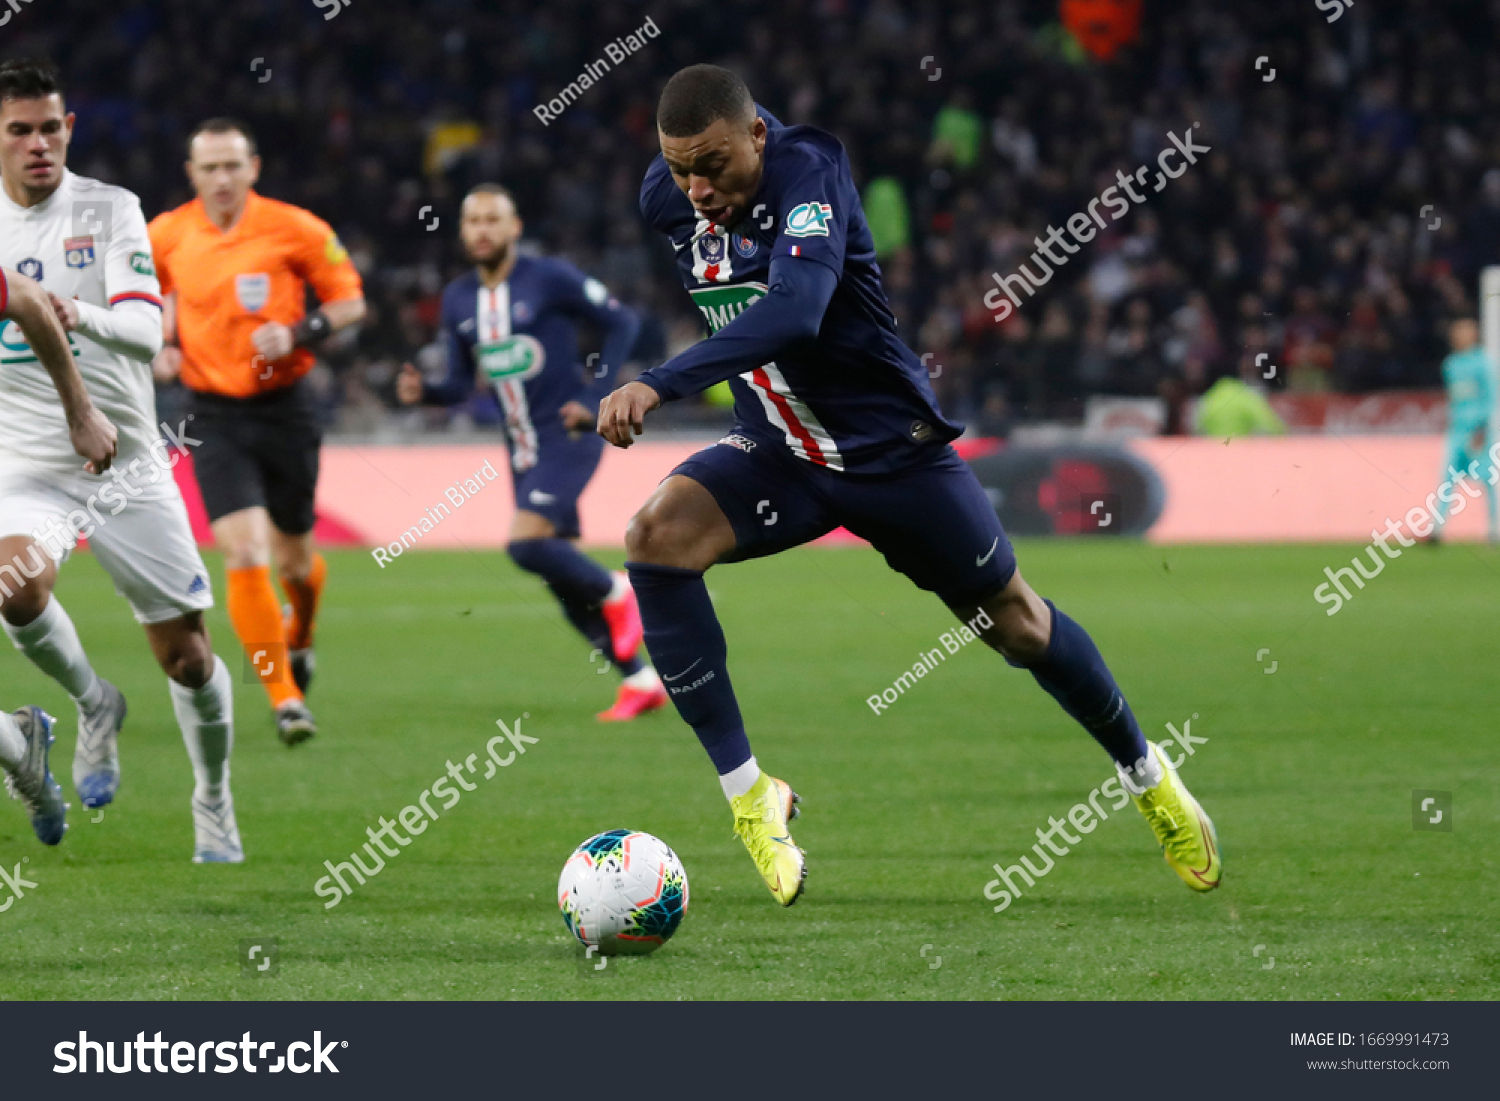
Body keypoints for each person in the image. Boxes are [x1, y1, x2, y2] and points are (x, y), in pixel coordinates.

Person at [598, 65, 1221, 905]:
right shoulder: (666, 196)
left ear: (756, 135)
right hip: (781, 449)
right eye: (679, 168)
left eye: (713, 164)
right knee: (655, 540)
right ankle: (752, 797)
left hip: (893, 452)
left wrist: (659, 382)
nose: (696, 187)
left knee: (1019, 626)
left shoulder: (810, 173)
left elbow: (793, 311)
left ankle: (1151, 779)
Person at [0, 59, 241, 861]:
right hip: (26, 464)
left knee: (188, 656)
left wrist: (82, 315)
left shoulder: (110, 210)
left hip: (126, 459)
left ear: (69, 128)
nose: (40, 143)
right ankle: (92, 703)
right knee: (16, 585)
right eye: (20, 130)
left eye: (51, 127)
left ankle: (212, 797)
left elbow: (146, 334)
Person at [398, 185, 667, 721]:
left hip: (567, 437)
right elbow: (457, 385)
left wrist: (595, 398)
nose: (482, 230)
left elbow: (623, 322)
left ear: (514, 227)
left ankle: (619, 589)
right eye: (472, 220)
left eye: (493, 219)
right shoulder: (458, 299)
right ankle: (640, 679)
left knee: (524, 547)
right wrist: (424, 392)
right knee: (560, 579)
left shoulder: (549, 277)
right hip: (521, 450)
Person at [150, 118, 367, 744]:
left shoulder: (294, 227)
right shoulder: (164, 234)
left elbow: (350, 303)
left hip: (286, 408)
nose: (221, 178)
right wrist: (157, 346)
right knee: (244, 553)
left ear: (254, 168)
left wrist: (300, 333)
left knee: (297, 563)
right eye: (209, 167)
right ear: (191, 173)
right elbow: (135, 299)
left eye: (231, 166)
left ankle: (300, 633)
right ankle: (284, 699)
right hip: (213, 414)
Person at [1429, 318, 1498, 543]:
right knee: (1448, 477)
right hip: (1457, 430)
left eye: (1464, 332)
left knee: (1487, 479)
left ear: (1473, 334)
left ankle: (1494, 529)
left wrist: (1482, 428)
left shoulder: (1483, 362)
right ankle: (1437, 530)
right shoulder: (1451, 364)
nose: (1459, 336)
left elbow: (1490, 397)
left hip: (1479, 430)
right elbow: (1454, 400)